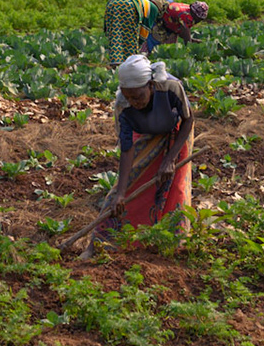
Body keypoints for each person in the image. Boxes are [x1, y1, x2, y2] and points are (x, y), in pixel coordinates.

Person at [72, 53, 195, 254]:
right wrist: (121, 193)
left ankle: (172, 242)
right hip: (146, 132)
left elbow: (188, 119)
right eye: (128, 96)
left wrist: (170, 159)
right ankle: (100, 244)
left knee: (174, 186)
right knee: (126, 189)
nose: (134, 102)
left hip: (176, 131)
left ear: (151, 86)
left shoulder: (171, 87)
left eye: (138, 96)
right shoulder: (123, 105)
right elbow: (127, 148)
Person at [102, 0, 208, 56]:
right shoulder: (186, 15)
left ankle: (150, 56)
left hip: (162, 20)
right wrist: (189, 44)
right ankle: (142, 57)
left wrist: (190, 39)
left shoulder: (186, 12)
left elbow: (179, 29)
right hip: (156, 18)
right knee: (148, 38)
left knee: (167, 44)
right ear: (196, 15)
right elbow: (185, 31)